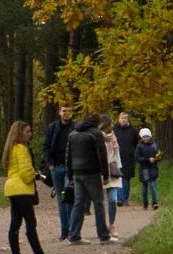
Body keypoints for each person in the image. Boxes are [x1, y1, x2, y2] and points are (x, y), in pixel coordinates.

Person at [0, 121, 58, 254]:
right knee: (31, 223)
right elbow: (26, 173)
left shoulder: (11, 148)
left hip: (12, 188)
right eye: (27, 132)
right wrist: (36, 176)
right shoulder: (21, 148)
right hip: (22, 188)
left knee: (15, 224)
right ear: (20, 133)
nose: (30, 134)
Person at [64, 112, 116, 244]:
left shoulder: (73, 134)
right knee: (98, 203)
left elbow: (68, 156)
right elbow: (102, 155)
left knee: (78, 203)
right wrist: (105, 174)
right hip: (92, 172)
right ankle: (103, 235)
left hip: (76, 172)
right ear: (97, 122)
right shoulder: (96, 134)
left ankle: (74, 235)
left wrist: (69, 174)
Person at [43, 103, 77, 239]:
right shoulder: (52, 127)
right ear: (59, 112)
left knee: (70, 197)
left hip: (71, 168)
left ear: (72, 112)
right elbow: (46, 146)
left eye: (69, 111)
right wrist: (50, 164)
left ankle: (71, 229)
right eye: (64, 111)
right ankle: (64, 230)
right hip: (56, 167)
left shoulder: (76, 127)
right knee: (61, 200)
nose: (66, 113)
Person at [99, 116, 124, 232]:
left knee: (113, 200)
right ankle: (101, 227)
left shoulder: (113, 136)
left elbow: (117, 152)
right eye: (107, 124)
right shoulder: (96, 136)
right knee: (98, 202)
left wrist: (118, 168)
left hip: (112, 170)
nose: (109, 127)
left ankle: (112, 224)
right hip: (99, 171)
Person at [112, 111, 140, 204]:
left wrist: (134, 153)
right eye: (122, 118)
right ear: (118, 119)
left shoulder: (133, 131)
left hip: (129, 158)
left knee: (126, 179)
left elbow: (136, 143)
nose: (123, 120)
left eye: (125, 118)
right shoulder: (114, 130)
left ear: (128, 120)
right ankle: (120, 199)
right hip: (116, 157)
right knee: (118, 177)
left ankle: (125, 198)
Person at [133, 127, 162, 208]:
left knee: (152, 184)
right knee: (145, 186)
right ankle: (145, 203)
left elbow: (159, 156)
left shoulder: (155, 145)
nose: (146, 138)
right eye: (144, 137)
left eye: (147, 136)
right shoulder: (139, 146)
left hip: (153, 168)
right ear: (141, 137)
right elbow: (137, 158)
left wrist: (158, 158)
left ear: (150, 136)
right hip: (144, 169)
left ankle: (154, 202)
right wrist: (148, 159)